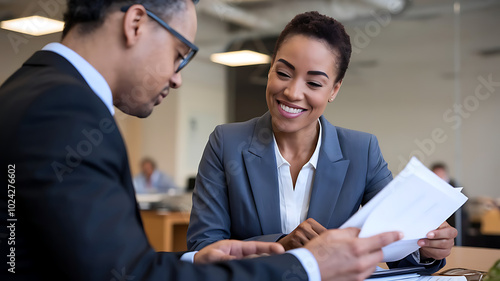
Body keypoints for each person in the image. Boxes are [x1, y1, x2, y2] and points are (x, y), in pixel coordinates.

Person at [0, 0, 403, 280]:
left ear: (334, 89)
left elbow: (92, 263)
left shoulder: (34, 90)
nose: (177, 78)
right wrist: (310, 267)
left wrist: (194, 259)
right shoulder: (65, 111)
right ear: (135, 23)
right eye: (179, 54)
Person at [187, 11, 457, 274]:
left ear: (334, 89)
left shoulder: (362, 151)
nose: (293, 92)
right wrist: (280, 245)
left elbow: (394, 246)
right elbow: (203, 248)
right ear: (270, 70)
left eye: (314, 83)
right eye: (283, 73)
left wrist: (426, 248)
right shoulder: (226, 143)